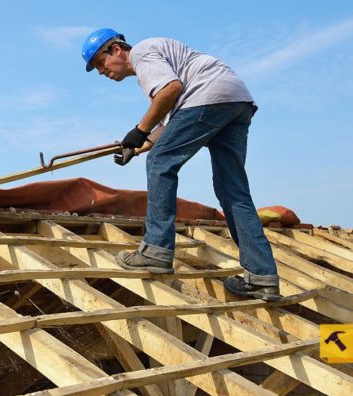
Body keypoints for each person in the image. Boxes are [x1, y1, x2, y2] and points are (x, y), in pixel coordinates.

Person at [82, 28, 281, 301]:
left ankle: (156, 250)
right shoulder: (157, 64)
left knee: (160, 163)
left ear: (116, 49)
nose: (102, 72)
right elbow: (168, 124)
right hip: (235, 99)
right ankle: (262, 278)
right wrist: (136, 147)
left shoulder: (141, 53)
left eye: (100, 63)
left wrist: (139, 129)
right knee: (232, 191)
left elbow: (171, 91)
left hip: (207, 96)